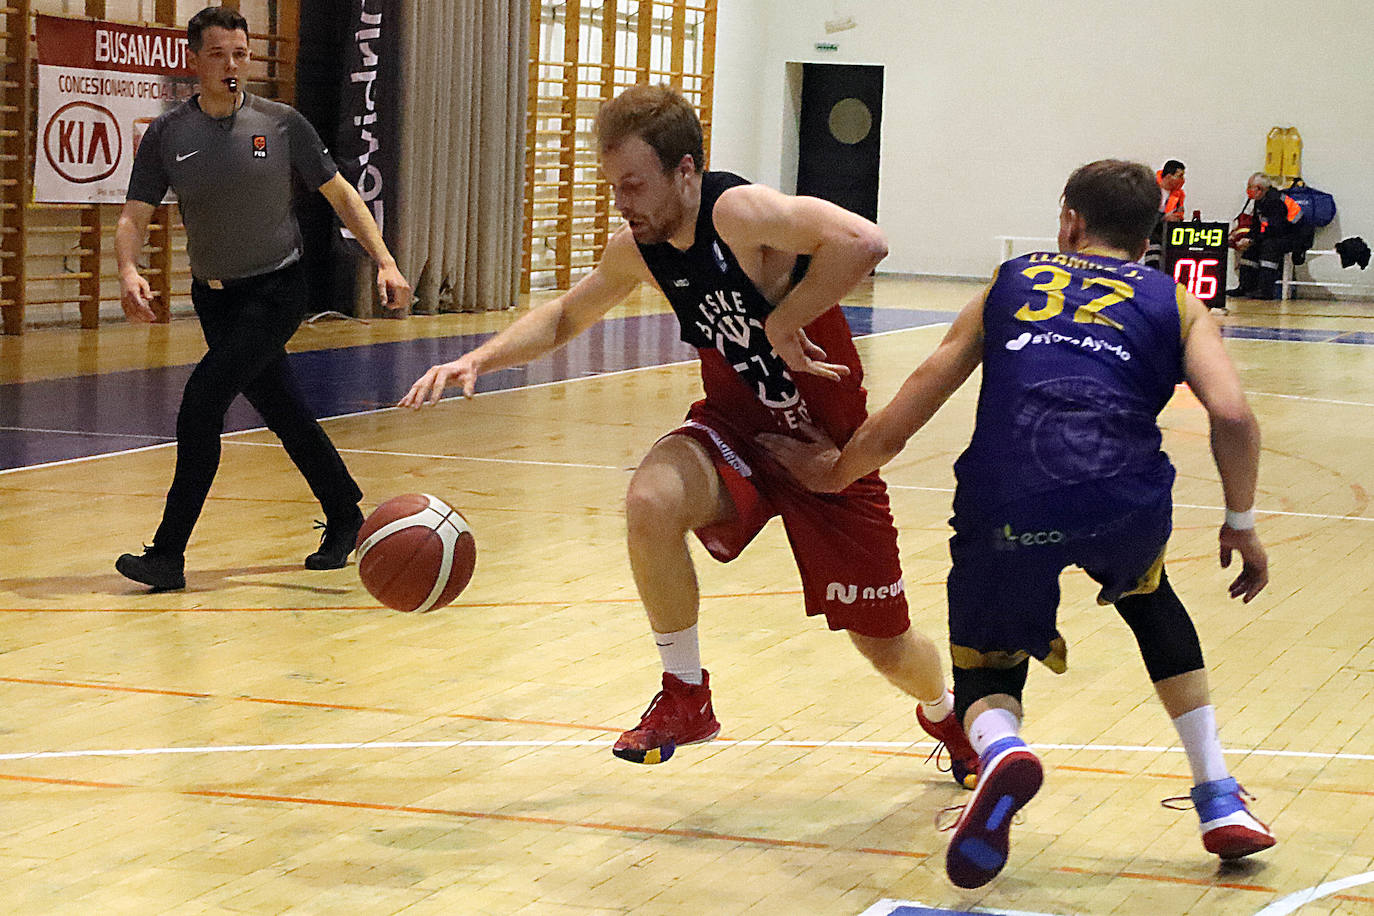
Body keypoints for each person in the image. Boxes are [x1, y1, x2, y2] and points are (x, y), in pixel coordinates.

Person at [400, 84, 978, 784]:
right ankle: (686, 693)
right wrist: (477, 357)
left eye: (634, 185)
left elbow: (864, 241)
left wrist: (783, 317)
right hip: (734, 430)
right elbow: (562, 318)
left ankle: (946, 713)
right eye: (614, 186)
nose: (622, 202)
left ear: (686, 171)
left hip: (829, 454)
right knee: (650, 501)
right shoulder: (640, 249)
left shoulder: (738, 214)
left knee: (886, 649)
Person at [761, 159, 1276, 888]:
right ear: (1151, 235)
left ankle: (1000, 748)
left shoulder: (1012, 280)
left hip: (1010, 494)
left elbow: (920, 393)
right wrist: (1241, 522)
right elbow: (1231, 414)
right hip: (1121, 499)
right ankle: (1219, 796)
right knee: (1150, 598)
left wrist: (833, 471)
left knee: (988, 666)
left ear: (1069, 222)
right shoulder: (1179, 303)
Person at [114, 6, 412, 591]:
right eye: (220, 54)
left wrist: (386, 260)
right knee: (283, 410)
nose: (232, 65)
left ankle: (168, 554)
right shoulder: (168, 134)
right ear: (193, 59)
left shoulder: (281, 124)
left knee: (202, 401)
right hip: (215, 298)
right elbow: (133, 214)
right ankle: (346, 510)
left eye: (241, 54)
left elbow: (343, 196)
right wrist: (126, 268)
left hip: (277, 290)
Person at [1227, 171, 1304, 299]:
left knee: (1270, 247)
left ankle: (1265, 290)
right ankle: (1245, 287)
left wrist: (1254, 240)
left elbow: (1277, 230)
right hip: (1278, 234)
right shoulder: (1260, 201)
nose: (1248, 190)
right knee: (1250, 250)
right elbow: (1257, 226)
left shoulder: (1276, 201)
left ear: (1260, 189)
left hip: (1295, 236)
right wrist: (1248, 238)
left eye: (1249, 186)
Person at [1142, 159, 1185, 268]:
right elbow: (1145, 213)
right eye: (1179, 176)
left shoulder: (1178, 195)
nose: (1182, 180)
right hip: (1150, 237)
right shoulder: (1150, 189)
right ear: (1169, 176)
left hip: (1168, 237)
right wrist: (1164, 217)